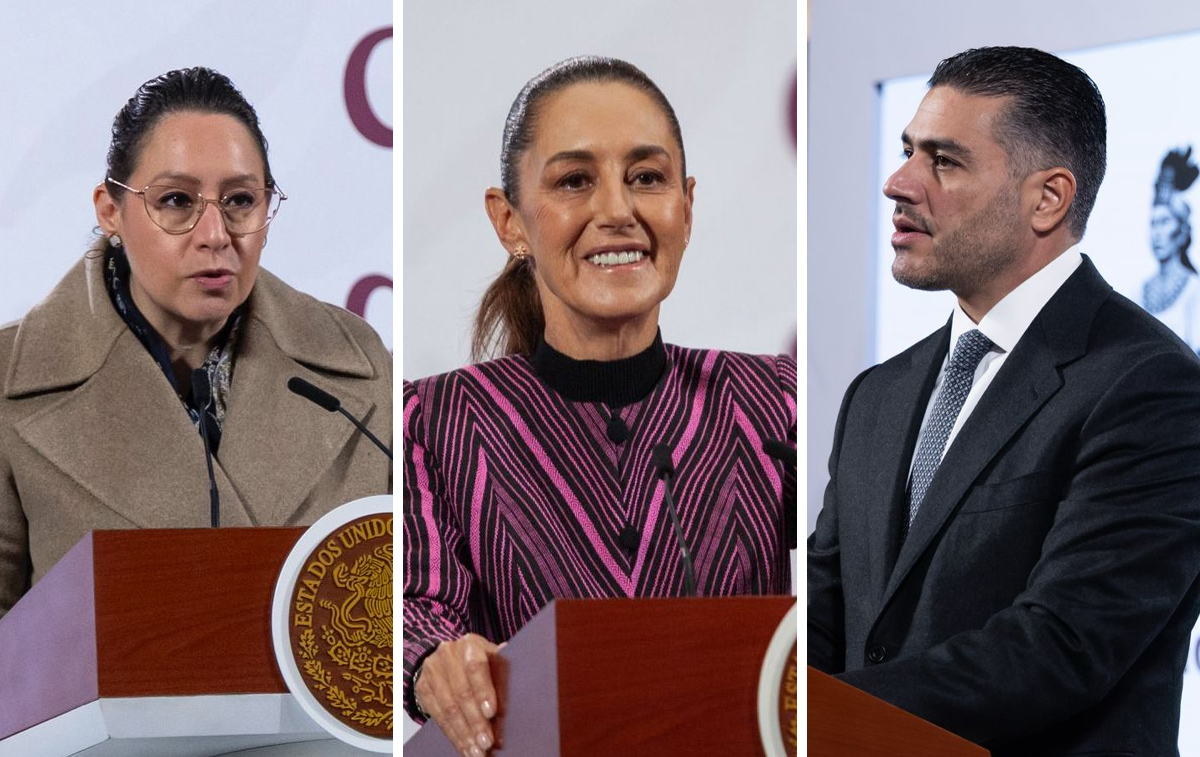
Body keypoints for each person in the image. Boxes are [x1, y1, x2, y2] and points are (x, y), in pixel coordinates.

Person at [808, 46, 1200, 756]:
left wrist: (811, 714)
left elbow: (1062, 644)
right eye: (906, 152)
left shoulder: (1151, 384)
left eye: (944, 161)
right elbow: (828, 610)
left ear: (1047, 197)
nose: (899, 183)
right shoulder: (877, 394)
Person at [403, 56, 796, 757]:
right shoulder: (436, 422)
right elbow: (417, 608)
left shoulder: (775, 405)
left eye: (647, 177)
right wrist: (436, 663)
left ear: (687, 205)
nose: (617, 212)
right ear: (510, 221)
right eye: (575, 181)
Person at [0, 67, 392, 617]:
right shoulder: (12, 380)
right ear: (110, 211)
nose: (215, 235)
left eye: (239, 201)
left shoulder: (359, 367)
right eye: (178, 200)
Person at [1142, 146, 1200, 350]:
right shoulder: (1139, 292)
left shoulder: (1195, 291)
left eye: (1165, 222)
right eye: (1153, 223)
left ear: (1182, 231)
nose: (1157, 233)